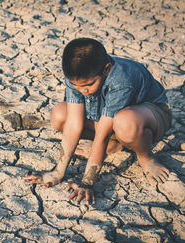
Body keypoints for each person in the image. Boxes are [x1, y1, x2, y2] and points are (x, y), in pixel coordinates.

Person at [24, 38, 172, 206]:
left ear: (106, 70)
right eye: (76, 86)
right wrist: (58, 172)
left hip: (148, 119)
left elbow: (102, 134)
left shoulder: (121, 80)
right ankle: (115, 145)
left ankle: (146, 157)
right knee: (60, 114)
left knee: (125, 122)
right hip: (107, 118)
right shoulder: (77, 74)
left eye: (88, 85)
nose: (82, 90)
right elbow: (74, 123)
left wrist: (87, 182)